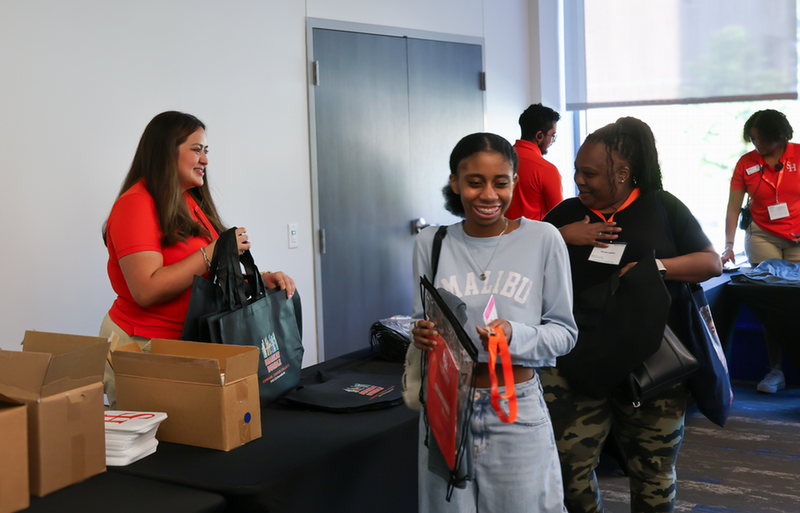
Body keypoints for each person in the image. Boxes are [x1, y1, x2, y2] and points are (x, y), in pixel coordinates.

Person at [542, 117, 722, 513]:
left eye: (589, 173)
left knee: (653, 473)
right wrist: (558, 235)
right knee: (569, 469)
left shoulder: (662, 205)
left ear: (622, 174)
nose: (578, 180)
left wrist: (657, 267)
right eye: (576, 170)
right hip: (576, 363)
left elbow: (711, 263)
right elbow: (521, 261)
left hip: (651, 364)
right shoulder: (564, 215)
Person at [410, 132, 578, 512]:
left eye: (501, 183)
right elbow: (424, 319)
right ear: (455, 182)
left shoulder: (543, 239)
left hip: (515, 407)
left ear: (514, 182)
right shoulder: (430, 242)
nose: (489, 195)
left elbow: (565, 335)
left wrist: (514, 334)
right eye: (474, 182)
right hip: (446, 408)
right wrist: (419, 333)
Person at [101, 111, 295, 405]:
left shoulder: (189, 200)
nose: (205, 160)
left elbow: (202, 279)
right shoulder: (135, 206)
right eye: (196, 150)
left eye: (206, 151)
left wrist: (254, 281)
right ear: (166, 151)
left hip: (186, 346)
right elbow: (146, 290)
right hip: (143, 349)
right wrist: (211, 252)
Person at [722, 109, 798, 394]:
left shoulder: (799, 155)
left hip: (797, 238)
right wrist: (729, 245)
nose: (758, 145)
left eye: (763, 139)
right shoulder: (746, 163)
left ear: (781, 136)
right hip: (761, 234)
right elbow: (732, 207)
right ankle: (774, 370)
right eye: (753, 139)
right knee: (772, 302)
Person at [505, 103, 563, 221]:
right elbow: (560, 217)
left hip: (499, 237)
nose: (552, 141)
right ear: (539, 135)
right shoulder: (546, 170)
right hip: (535, 238)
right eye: (552, 136)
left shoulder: (500, 159)